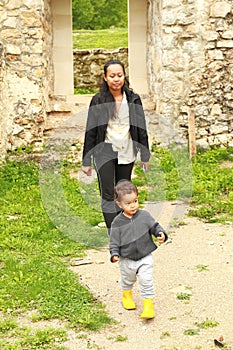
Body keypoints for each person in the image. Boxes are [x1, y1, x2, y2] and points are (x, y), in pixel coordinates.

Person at [81, 59, 150, 232]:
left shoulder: (133, 99)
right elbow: (91, 130)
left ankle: (124, 227)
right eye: (112, 76)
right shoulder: (98, 100)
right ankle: (114, 231)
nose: (116, 79)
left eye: (119, 75)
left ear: (124, 76)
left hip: (127, 149)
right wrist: (86, 160)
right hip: (104, 150)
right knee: (107, 192)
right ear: (105, 77)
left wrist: (145, 155)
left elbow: (141, 128)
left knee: (123, 192)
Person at [109, 180, 168, 319]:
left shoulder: (145, 216)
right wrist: (114, 254)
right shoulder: (117, 223)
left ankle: (148, 305)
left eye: (135, 201)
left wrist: (161, 234)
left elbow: (155, 227)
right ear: (119, 204)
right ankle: (126, 295)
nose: (133, 205)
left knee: (146, 279)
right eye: (128, 203)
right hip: (126, 258)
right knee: (127, 279)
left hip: (145, 255)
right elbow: (114, 241)